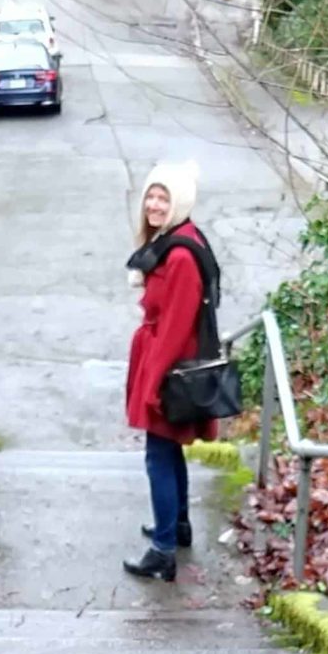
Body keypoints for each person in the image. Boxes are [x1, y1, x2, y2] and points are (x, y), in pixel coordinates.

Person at [121, 162, 221, 582]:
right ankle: (176, 526)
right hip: (167, 361)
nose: (154, 205)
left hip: (169, 367)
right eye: (151, 196)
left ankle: (163, 552)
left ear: (178, 201)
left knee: (158, 455)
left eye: (163, 197)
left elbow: (177, 327)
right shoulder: (182, 237)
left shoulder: (180, 255)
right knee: (169, 449)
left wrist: (153, 383)